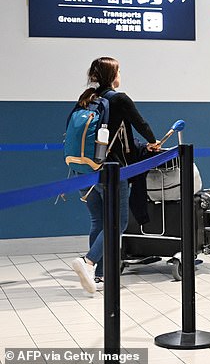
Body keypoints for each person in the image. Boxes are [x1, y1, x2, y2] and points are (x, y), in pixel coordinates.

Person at [71, 57, 160, 294]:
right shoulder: (119, 99)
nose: (121, 75)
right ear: (112, 76)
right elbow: (140, 123)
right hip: (111, 170)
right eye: (119, 71)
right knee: (117, 223)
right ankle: (89, 262)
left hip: (82, 170)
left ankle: (98, 276)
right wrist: (153, 142)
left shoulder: (86, 99)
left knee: (98, 221)